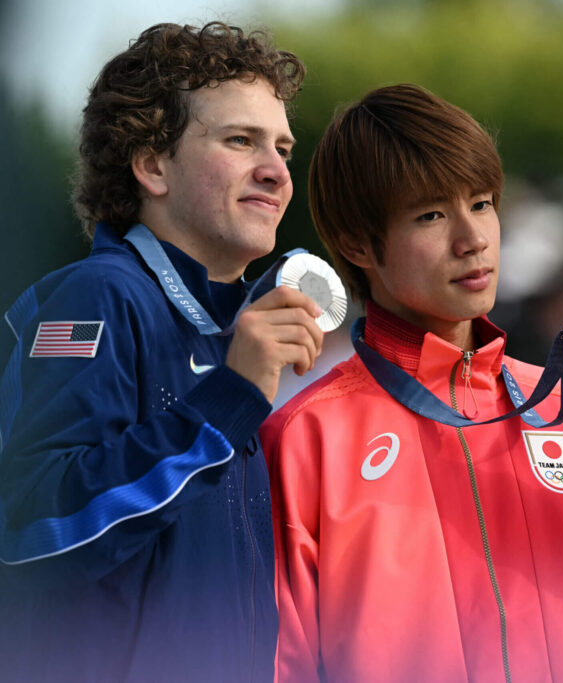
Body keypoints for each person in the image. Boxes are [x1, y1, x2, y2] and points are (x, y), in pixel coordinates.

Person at [260, 83, 563, 682]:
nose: (472, 238)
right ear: (356, 244)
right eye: (430, 214)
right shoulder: (304, 440)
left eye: (481, 203)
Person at [0, 22, 324, 682]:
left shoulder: (232, 326)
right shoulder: (95, 297)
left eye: (283, 148)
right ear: (152, 166)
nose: (276, 170)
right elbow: (32, 527)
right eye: (240, 140)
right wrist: (226, 403)